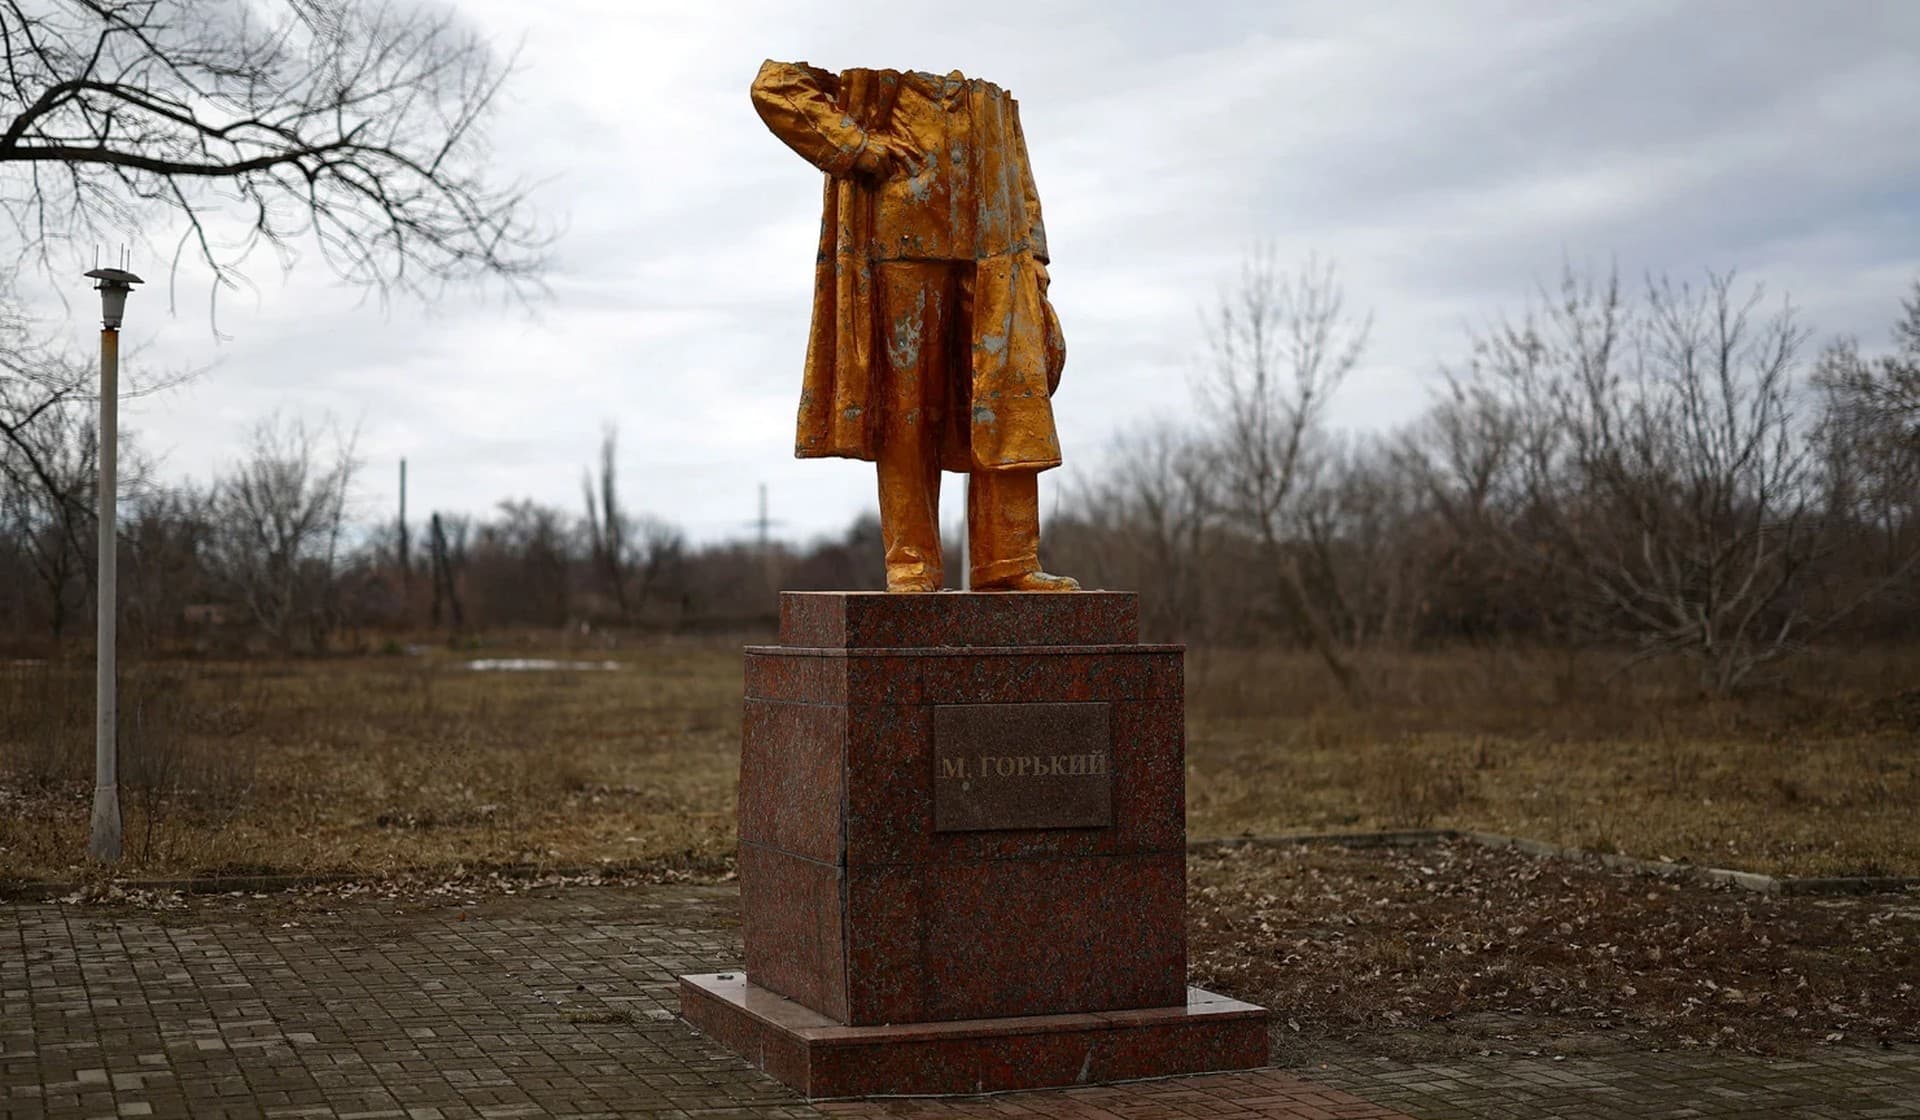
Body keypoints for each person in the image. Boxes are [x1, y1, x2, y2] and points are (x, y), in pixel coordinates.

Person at [751, 60, 1079, 593]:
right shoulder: (877, 76)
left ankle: (1009, 560)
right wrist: (857, 147)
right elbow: (775, 85)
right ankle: (912, 563)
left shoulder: (990, 101)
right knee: (906, 408)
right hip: (900, 240)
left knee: (1012, 402)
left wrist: (1037, 262)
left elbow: (1018, 173)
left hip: (995, 249)